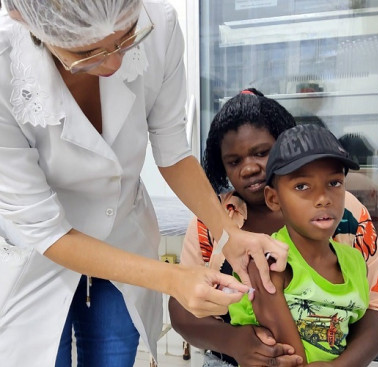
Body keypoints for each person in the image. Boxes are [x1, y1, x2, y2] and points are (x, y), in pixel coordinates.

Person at [0, 2, 287, 367]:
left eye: (127, 36)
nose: (114, 63)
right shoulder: (4, 63)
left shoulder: (160, 21)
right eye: (86, 53)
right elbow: (46, 230)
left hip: (123, 230)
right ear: (25, 21)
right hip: (39, 253)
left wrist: (228, 232)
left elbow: (173, 151)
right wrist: (173, 279)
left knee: (113, 356)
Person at [169, 89, 378, 367]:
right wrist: (234, 342)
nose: (249, 168)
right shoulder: (210, 221)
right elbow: (182, 306)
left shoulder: (345, 212)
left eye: (262, 152)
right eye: (234, 161)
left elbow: (377, 306)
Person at [229, 123, 370, 364]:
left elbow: (355, 334)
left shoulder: (354, 262)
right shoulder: (266, 263)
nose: (323, 198)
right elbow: (291, 359)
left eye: (334, 183)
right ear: (274, 199)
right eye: (302, 186)